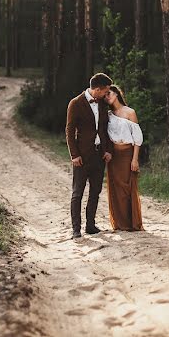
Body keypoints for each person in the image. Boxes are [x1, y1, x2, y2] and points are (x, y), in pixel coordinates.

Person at [66, 73, 114, 239]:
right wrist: (74, 154)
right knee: (77, 192)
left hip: (99, 155)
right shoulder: (76, 103)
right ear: (97, 89)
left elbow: (104, 129)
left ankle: (90, 225)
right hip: (82, 156)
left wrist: (107, 150)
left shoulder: (101, 103)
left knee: (96, 191)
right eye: (105, 91)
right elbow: (69, 132)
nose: (106, 94)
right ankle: (76, 229)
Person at [104, 85, 144, 231]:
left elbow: (137, 138)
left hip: (127, 154)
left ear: (116, 93)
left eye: (109, 93)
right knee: (116, 189)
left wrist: (135, 159)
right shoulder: (108, 114)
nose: (107, 96)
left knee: (127, 188)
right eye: (105, 95)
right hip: (114, 156)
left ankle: (131, 222)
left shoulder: (130, 112)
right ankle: (120, 224)